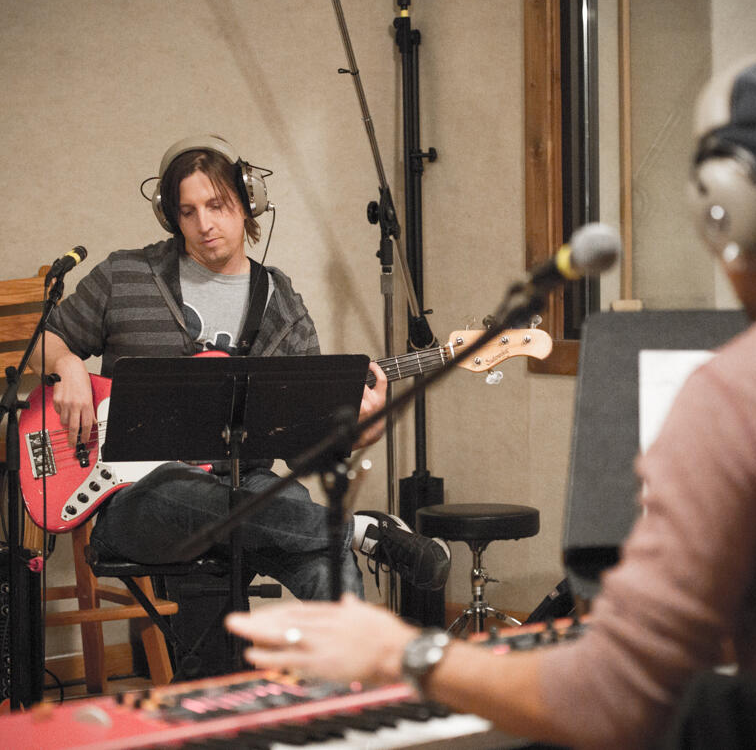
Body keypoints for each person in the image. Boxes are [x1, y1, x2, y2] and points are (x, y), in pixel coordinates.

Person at [227, 58, 756, 748]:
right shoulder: (129, 277)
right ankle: (356, 533)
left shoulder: (734, 394)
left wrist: (403, 652)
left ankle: (350, 541)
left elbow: (614, 700)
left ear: (725, 209)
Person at [30, 133, 450, 606]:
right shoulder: (124, 275)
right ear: (171, 216)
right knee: (181, 491)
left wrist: (359, 430)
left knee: (321, 554)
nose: (204, 224)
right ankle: (359, 530)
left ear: (248, 202)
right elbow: (43, 341)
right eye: (187, 212)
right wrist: (65, 363)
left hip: (249, 484)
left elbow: (302, 449)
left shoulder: (282, 303)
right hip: (138, 499)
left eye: (217, 205)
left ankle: (344, 677)